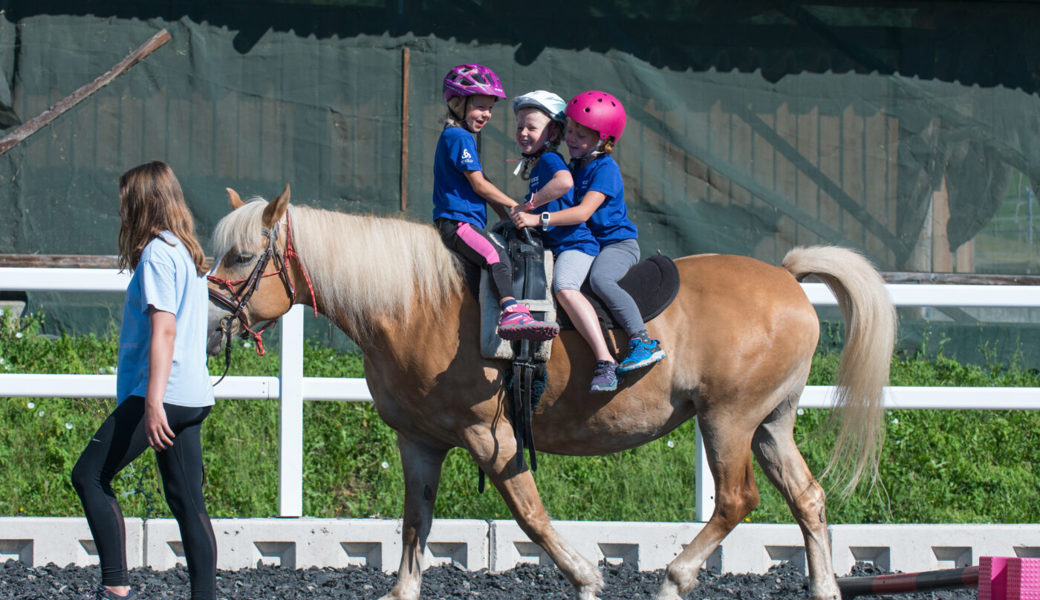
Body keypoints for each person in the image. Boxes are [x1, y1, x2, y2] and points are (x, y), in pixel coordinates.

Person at [71, 162, 217, 600]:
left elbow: (165, 329)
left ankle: (114, 587)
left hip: (163, 394)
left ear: (143, 203)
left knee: (89, 477)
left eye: (125, 203)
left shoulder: (156, 253)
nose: (121, 213)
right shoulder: (185, 252)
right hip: (192, 394)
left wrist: (152, 404)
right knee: (188, 503)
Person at [521, 90, 666, 385]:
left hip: (617, 244)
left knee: (600, 280)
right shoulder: (574, 165)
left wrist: (539, 218)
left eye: (582, 135)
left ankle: (642, 341)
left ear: (605, 140)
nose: (573, 139)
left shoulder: (605, 169)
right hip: (593, 245)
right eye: (571, 130)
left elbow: (583, 213)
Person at [432, 64, 559, 342]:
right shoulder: (459, 137)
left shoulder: (461, 136)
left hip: (461, 220)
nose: (486, 114)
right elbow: (478, 185)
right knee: (495, 256)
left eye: (490, 108)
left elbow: (481, 181)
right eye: (479, 107)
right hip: (457, 223)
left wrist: (503, 214)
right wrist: (517, 206)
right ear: (458, 103)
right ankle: (512, 313)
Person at [509, 91, 618, 392]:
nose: (523, 133)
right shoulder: (539, 164)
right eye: (520, 127)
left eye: (532, 127)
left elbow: (564, 183)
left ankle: (605, 359)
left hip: (575, 246)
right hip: (558, 245)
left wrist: (530, 209)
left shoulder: (549, 160)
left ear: (552, 132)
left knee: (565, 289)